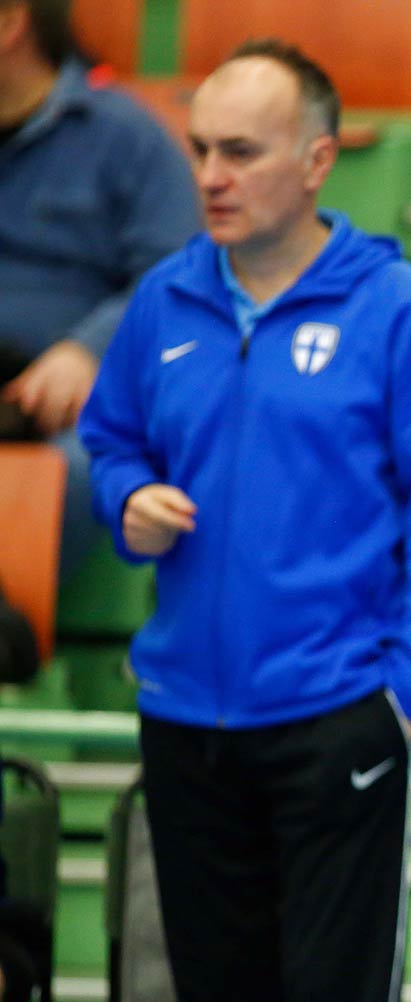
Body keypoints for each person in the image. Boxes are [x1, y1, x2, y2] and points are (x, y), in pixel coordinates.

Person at [78, 40, 411, 1002]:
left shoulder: (396, 309)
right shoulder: (163, 300)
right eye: (201, 150)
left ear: (317, 162)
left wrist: (402, 692)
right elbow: (109, 439)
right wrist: (127, 499)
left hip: (336, 727)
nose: (211, 174)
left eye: (241, 152)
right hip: (186, 726)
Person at [0, 0, 198, 581]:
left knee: (83, 469)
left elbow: (177, 277)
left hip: (75, 404)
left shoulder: (125, 136)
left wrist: (87, 351)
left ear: (10, 23)